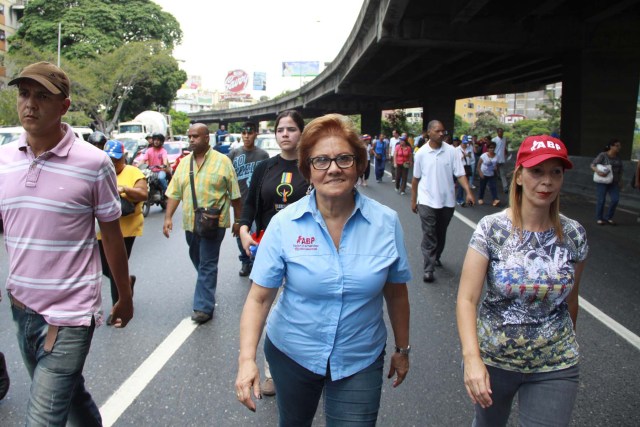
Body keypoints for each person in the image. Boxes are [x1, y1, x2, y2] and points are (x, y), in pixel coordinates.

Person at [235, 114, 411, 425]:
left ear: (357, 166)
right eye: (321, 161)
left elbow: (396, 294)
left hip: (360, 356)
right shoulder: (284, 225)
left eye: (344, 159)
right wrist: (247, 359)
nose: (333, 168)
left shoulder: (386, 222)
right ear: (308, 170)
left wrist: (402, 348)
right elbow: (259, 298)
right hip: (293, 352)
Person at [1, 61, 133, 425]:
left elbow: (111, 234)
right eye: (25, 94)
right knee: (69, 394)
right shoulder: (3, 160)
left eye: (43, 96)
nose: (30, 104)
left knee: (44, 416)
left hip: (71, 314)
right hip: (22, 305)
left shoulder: (94, 163)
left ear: (64, 106)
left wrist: (124, 295)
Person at [456, 135, 588, 427]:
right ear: (518, 176)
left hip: (555, 364)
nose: (547, 182)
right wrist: (472, 360)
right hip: (494, 361)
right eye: (537, 171)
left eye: (556, 172)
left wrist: (566, 345)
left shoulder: (574, 234)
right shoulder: (492, 229)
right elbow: (467, 299)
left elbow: (571, 300)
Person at [238, 110, 308, 397]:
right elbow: (250, 205)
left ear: (301, 133)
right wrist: (243, 228)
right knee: (268, 310)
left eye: (291, 129)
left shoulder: (313, 165)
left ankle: (313, 366)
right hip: (270, 247)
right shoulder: (264, 168)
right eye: (280, 130)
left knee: (305, 309)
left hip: (307, 248)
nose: (285, 134)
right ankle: (271, 372)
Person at [163, 123, 242, 324]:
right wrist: (168, 217)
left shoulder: (223, 162)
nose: (191, 140)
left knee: (207, 263)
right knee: (197, 258)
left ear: (207, 138)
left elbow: (235, 195)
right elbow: (174, 192)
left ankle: (203, 307)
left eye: (195, 136)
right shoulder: (183, 163)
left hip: (214, 224)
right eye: (189, 136)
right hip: (191, 224)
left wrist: (239, 221)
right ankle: (206, 285)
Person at [411, 120, 475, 283]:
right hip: (426, 200)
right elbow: (416, 179)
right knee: (429, 233)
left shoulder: (452, 151)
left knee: (441, 232)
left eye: (443, 131)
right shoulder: (421, 153)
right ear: (429, 133)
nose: (442, 134)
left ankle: (436, 255)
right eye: (438, 131)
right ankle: (428, 268)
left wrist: (468, 192)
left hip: (447, 201)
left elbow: (460, 174)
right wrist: (414, 201)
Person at [98, 139, 148, 324]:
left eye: (116, 159)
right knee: (104, 266)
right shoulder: (99, 171)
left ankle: (116, 308)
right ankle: (125, 281)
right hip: (102, 228)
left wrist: (124, 189)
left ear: (123, 157)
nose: (112, 163)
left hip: (126, 228)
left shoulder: (133, 172)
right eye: (109, 159)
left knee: (113, 267)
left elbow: (143, 194)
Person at [227, 121, 269, 277]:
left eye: (249, 133)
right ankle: (245, 260)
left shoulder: (263, 155)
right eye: (243, 133)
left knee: (256, 232)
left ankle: (255, 261)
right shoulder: (234, 154)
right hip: (239, 203)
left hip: (257, 202)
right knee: (240, 233)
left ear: (255, 134)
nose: (246, 136)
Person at [591, 139, 623, 225]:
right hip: (603, 181)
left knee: (615, 199)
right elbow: (593, 165)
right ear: (611, 146)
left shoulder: (618, 157)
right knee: (601, 200)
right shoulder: (603, 155)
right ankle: (599, 218)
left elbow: (621, 170)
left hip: (614, 182)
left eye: (619, 146)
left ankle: (609, 217)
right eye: (617, 146)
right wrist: (598, 171)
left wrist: (620, 181)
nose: (619, 147)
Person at [476, 142, 501, 207]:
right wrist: (480, 173)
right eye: (490, 148)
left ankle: (495, 199)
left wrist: (497, 170)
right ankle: (480, 198)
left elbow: (497, 165)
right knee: (482, 187)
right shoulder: (483, 156)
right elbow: (478, 165)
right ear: (488, 149)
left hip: (492, 174)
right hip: (484, 173)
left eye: (493, 148)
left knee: (493, 187)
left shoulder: (496, 156)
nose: (492, 149)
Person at [456, 138, 474, 205]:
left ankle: (468, 198)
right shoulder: (457, 149)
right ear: (461, 142)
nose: (465, 144)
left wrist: (468, 155)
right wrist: (463, 156)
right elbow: (456, 159)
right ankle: (459, 199)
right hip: (460, 167)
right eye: (464, 143)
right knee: (461, 184)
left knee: (467, 184)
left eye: (466, 143)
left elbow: (472, 158)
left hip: (467, 167)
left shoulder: (469, 149)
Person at [492, 128, 509, 193]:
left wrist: (506, 151)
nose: (501, 133)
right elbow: (492, 149)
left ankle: (505, 187)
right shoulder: (494, 140)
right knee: (494, 174)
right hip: (495, 159)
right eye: (499, 132)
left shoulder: (504, 139)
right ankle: (493, 186)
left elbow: (504, 147)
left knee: (502, 173)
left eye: (502, 132)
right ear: (497, 132)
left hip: (502, 159)